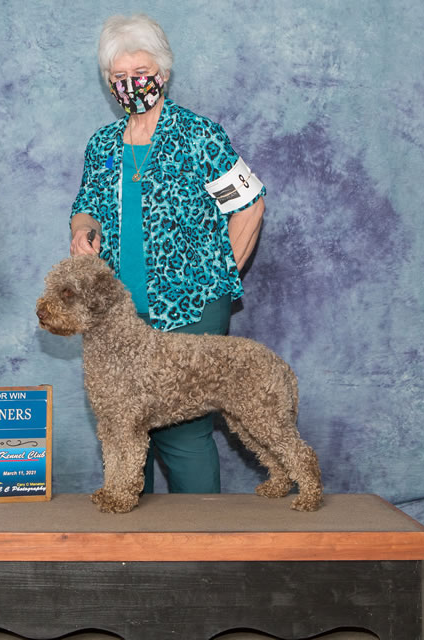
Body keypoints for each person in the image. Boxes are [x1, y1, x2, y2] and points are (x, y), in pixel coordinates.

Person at [70, 15, 266, 495]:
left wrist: (220, 276)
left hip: (191, 308)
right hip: (116, 312)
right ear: (108, 82)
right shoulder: (102, 144)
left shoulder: (200, 135)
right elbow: (86, 207)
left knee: (183, 433)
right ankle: (132, 527)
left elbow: (250, 204)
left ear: (164, 72)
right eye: (119, 76)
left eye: (140, 72)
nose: (131, 83)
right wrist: (82, 232)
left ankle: (199, 534)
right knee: (124, 423)